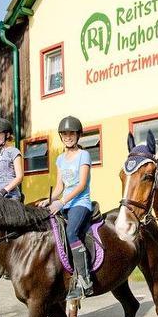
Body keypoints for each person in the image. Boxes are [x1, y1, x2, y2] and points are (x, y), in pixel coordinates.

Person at [39, 116, 94, 300]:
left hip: (80, 203)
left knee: (71, 233)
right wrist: (49, 200)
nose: (68, 137)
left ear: (78, 135)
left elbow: (81, 184)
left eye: (71, 133)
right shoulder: (60, 159)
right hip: (64, 203)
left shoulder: (83, 155)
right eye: (64, 134)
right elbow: (59, 186)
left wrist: (61, 202)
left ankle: (85, 281)